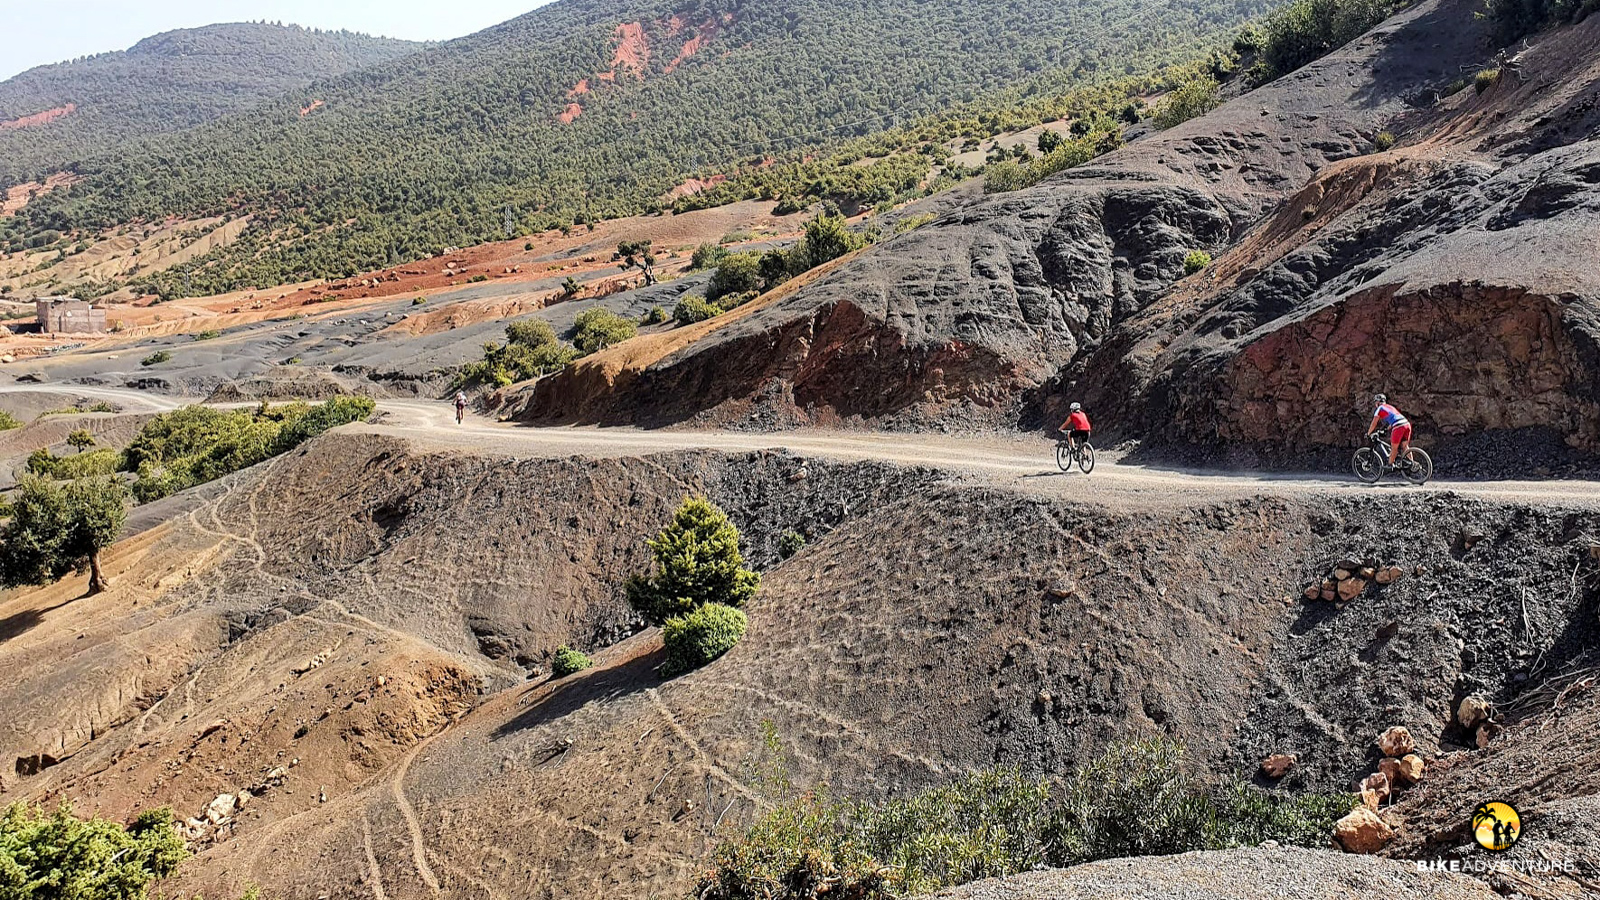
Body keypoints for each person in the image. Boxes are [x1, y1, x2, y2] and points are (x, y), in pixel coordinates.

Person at [1366, 393, 1411, 467]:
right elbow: (1395, 419)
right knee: (1405, 446)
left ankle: (1390, 465)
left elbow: (1374, 423)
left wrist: (1368, 433)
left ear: (1377, 402)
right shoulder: (1390, 407)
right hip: (1406, 424)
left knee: (1394, 448)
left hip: (1398, 426)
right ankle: (1412, 464)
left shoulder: (1380, 408)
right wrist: (1386, 429)